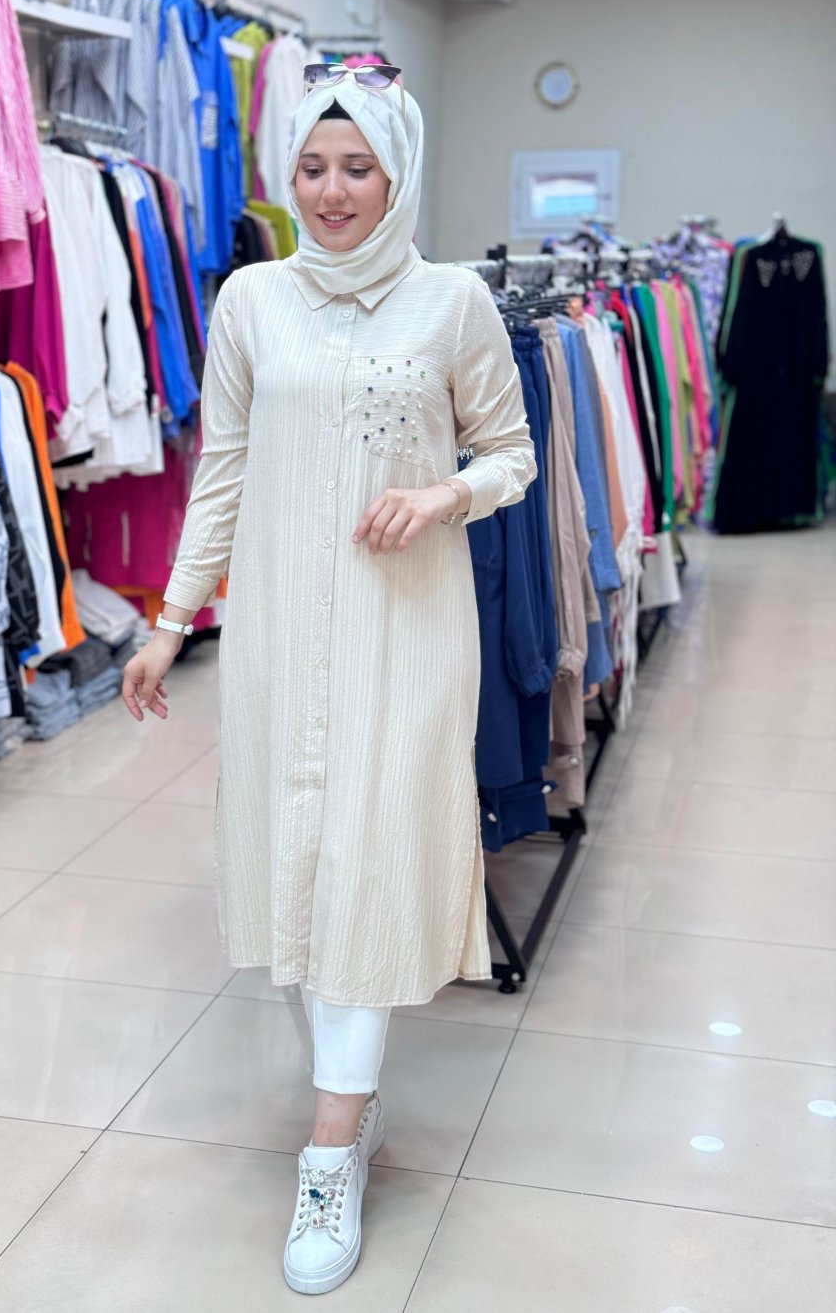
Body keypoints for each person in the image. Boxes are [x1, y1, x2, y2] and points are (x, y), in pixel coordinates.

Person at [121, 64, 536, 1297]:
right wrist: (170, 621)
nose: (332, 191)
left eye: (358, 168)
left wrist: (445, 492)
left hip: (405, 630)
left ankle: (328, 1152)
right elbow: (223, 469)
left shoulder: (452, 301)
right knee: (303, 860)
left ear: (398, 175)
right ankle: (346, 1099)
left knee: (363, 862)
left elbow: (512, 451)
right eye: (312, 167)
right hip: (276, 632)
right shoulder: (252, 297)